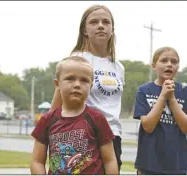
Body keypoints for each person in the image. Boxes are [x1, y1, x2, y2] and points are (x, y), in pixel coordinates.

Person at [50, 4, 125, 172]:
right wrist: (50, 131)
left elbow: (113, 103)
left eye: (106, 22)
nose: (100, 25)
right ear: (84, 30)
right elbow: (58, 101)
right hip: (82, 132)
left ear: (112, 29)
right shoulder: (77, 59)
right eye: (94, 22)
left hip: (112, 135)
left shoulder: (119, 67)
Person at [30, 56, 118, 175]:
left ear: (91, 86)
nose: (77, 84)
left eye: (84, 80)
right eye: (70, 78)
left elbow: (110, 161)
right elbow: (37, 162)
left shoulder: (97, 119)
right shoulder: (47, 120)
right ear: (57, 84)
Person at [133, 47, 187, 175]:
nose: (169, 64)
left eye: (174, 62)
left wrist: (172, 98)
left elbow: (186, 127)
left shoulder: (185, 91)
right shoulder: (144, 90)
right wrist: (163, 96)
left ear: (178, 67)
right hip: (149, 164)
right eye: (164, 60)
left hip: (176, 165)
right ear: (154, 65)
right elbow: (148, 126)